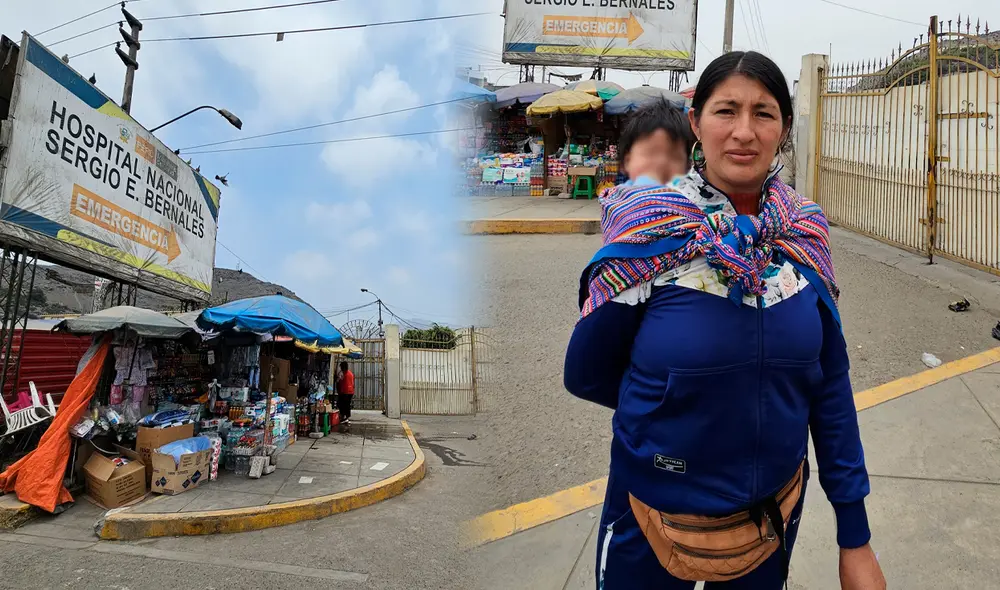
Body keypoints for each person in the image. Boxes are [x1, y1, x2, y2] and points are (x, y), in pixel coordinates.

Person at [564, 51, 886, 590]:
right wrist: (680, 411)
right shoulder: (652, 233)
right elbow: (587, 373)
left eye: (763, 113)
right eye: (725, 110)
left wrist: (855, 537)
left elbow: (828, 386)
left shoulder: (801, 237)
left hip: (768, 524)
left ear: (784, 128)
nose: (743, 132)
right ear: (695, 123)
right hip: (650, 520)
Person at [617, 98, 695, 187]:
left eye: (674, 156)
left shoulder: (689, 198)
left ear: (687, 167)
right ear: (627, 162)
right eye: (650, 154)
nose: (661, 163)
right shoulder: (616, 198)